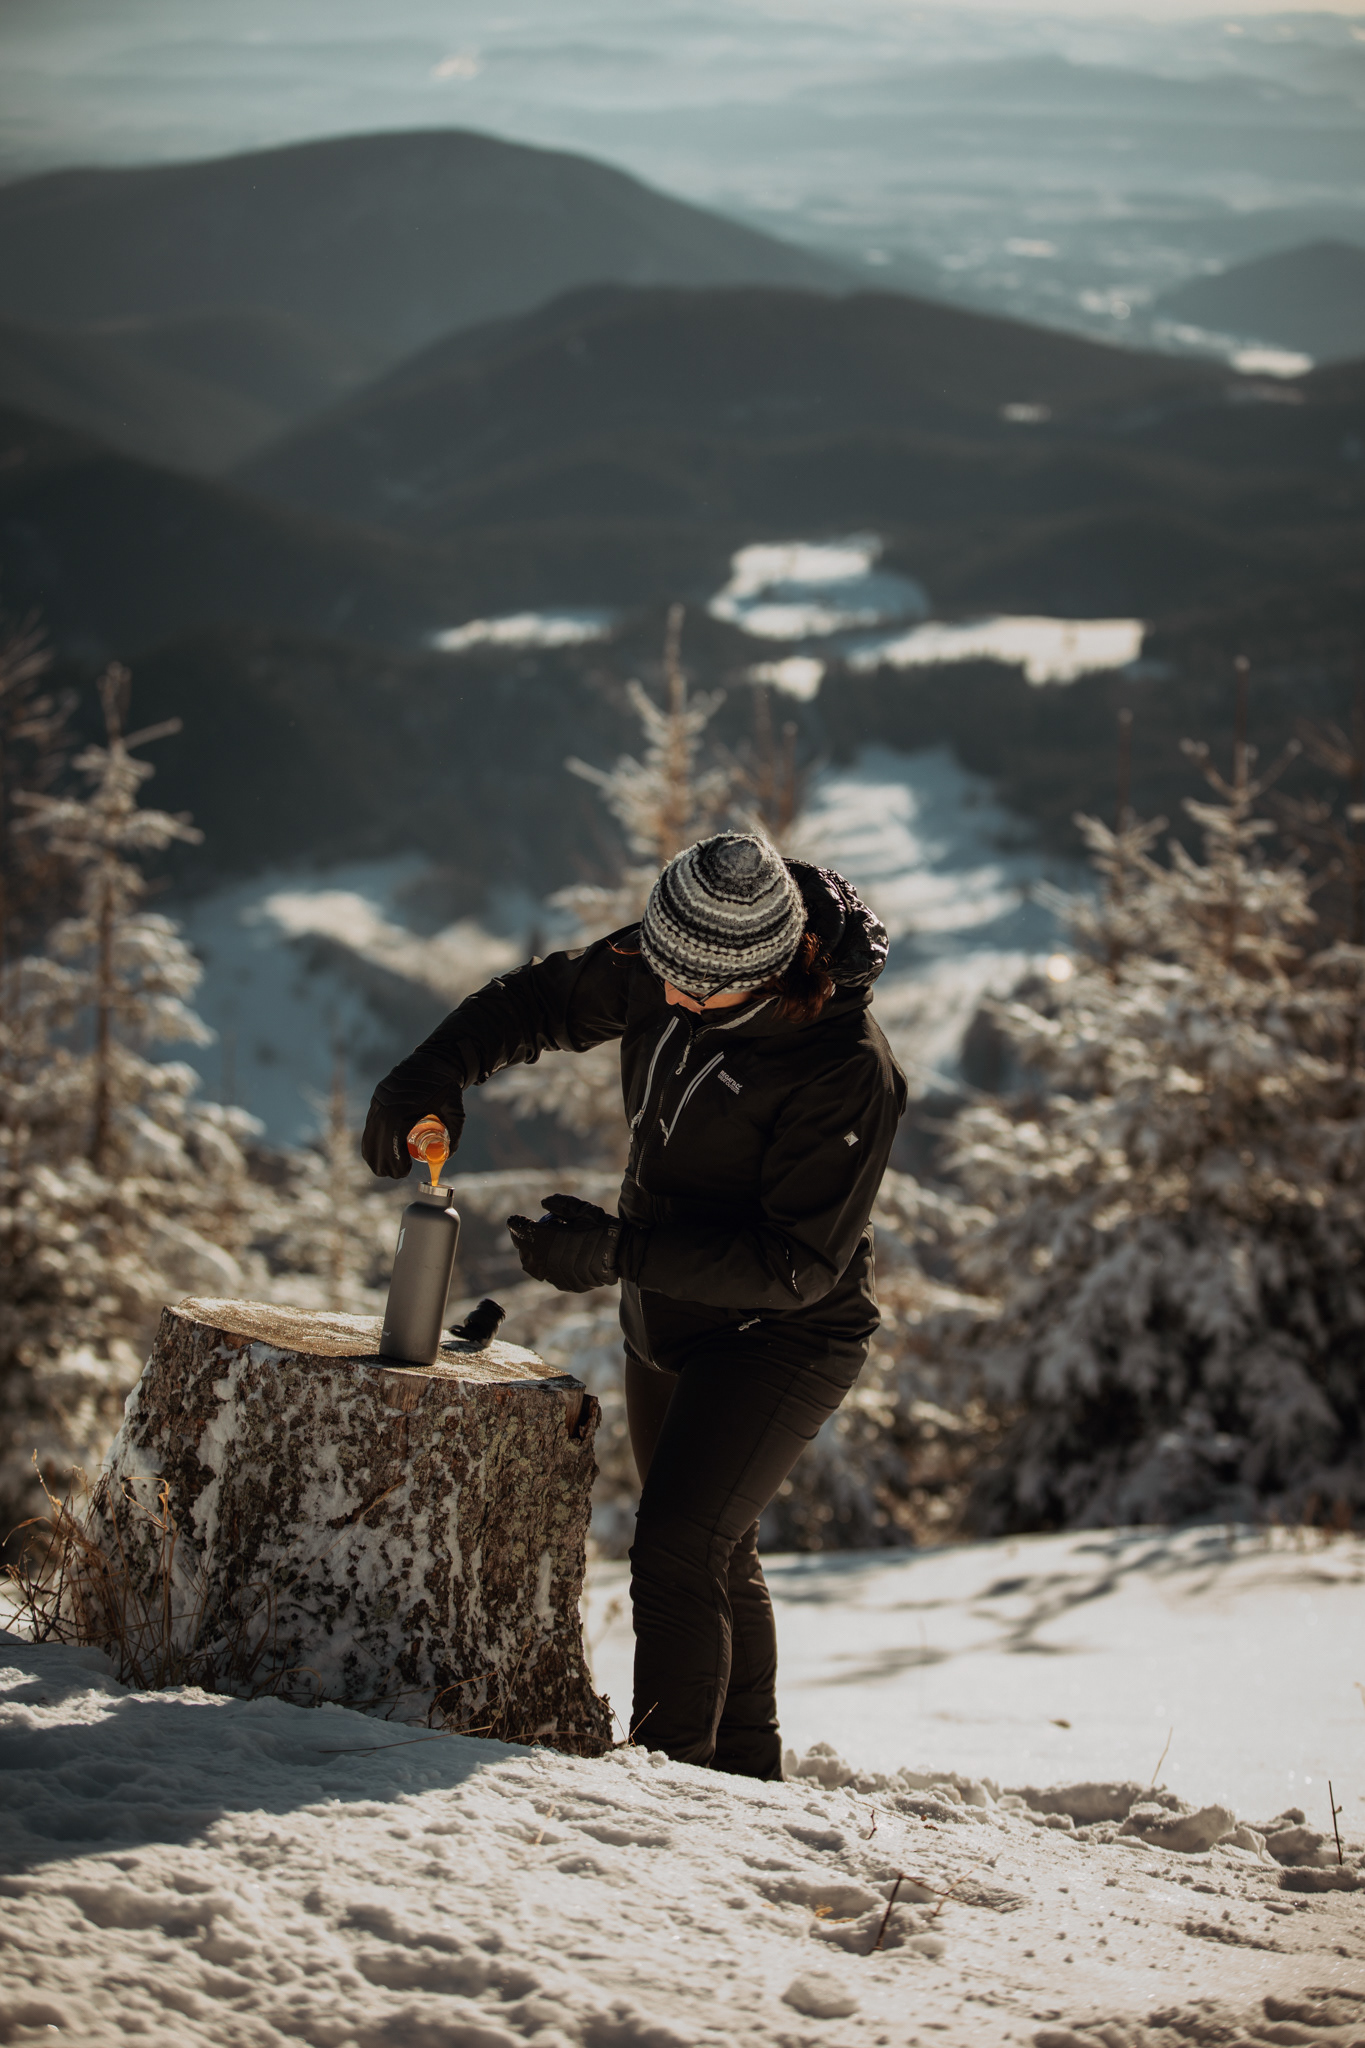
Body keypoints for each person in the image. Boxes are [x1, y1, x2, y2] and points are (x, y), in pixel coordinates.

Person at [362, 832, 906, 1778]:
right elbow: (540, 1001)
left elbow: (797, 1266)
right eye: (665, 979)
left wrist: (616, 1251)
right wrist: (433, 1069)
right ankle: (743, 1776)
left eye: (700, 993)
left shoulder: (844, 1067)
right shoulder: (676, 958)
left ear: (769, 971)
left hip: (784, 1334)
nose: (673, 1002)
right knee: (714, 1552)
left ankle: (667, 1790)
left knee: (675, 1551)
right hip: (669, 1317)